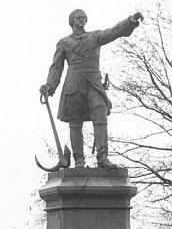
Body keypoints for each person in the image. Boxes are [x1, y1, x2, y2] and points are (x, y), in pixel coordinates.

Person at [40, 9, 143, 169]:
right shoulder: (64, 43)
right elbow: (56, 68)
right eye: (77, 17)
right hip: (74, 85)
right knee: (75, 123)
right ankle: (79, 160)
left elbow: (114, 32)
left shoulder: (94, 37)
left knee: (100, 114)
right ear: (72, 21)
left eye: (83, 17)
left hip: (94, 83)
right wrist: (49, 86)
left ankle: (103, 158)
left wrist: (130, 21)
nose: (81, 20)